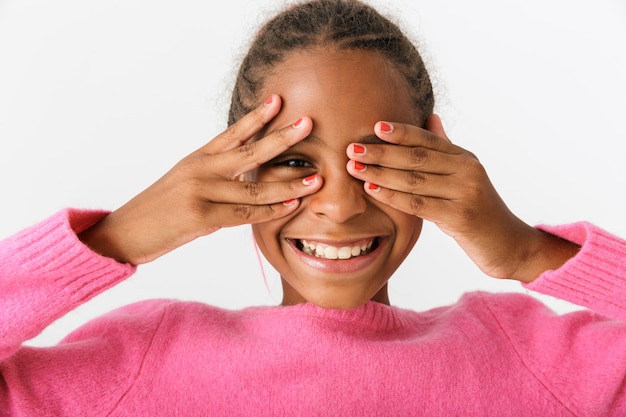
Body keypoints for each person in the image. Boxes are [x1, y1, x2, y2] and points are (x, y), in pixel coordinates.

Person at [1, 0, 625, 415]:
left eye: (375, 160)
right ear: (235, 166)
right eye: (295, 161)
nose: (339, 206)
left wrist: (529, 251)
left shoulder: (529, 355)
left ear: (437, 155)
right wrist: (115, 239)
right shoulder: (140, 360)